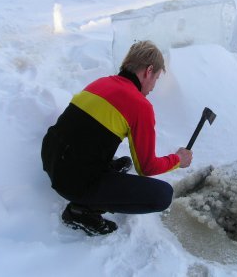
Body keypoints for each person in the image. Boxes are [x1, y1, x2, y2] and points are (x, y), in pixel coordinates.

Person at [41, 40, 193, 236]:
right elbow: (146, 167)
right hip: (73, 183)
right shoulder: (140, 106)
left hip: (51, 158)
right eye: (155, 78)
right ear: (148, 71)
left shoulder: (101, 82)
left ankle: (98, 176)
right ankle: (81, 210)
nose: (153, 86)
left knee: (117, 158)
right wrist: (178, 160)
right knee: (162, 195)